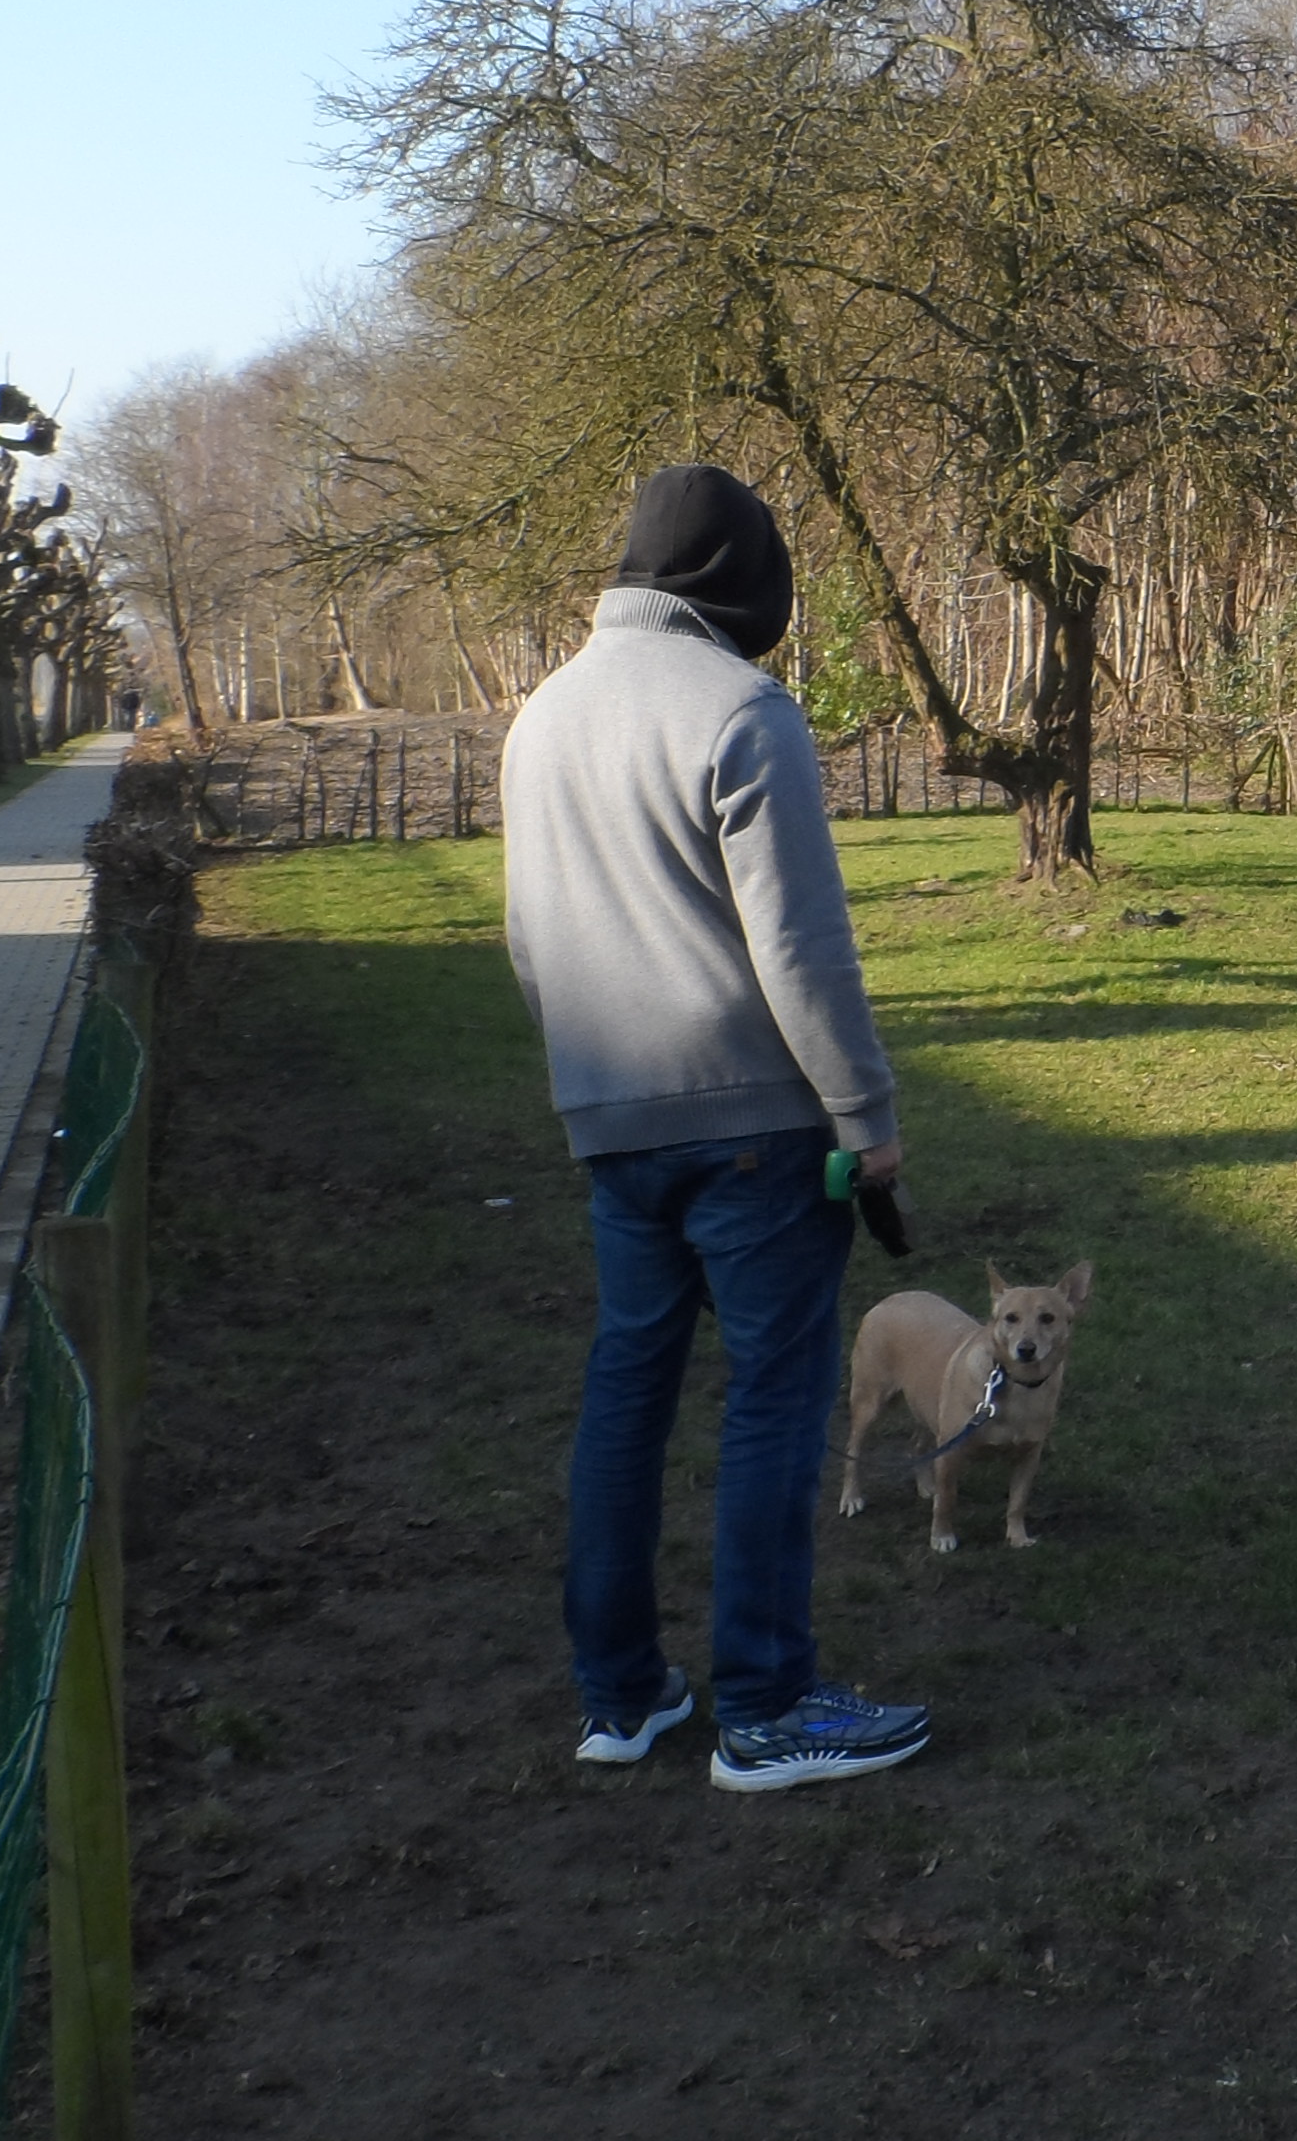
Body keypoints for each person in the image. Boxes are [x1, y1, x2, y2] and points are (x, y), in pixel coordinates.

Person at [500, 463, 930, 1793]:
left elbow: (530, 940)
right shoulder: (744, 710)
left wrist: (591, 1086)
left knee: (625, 1398)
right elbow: (801, 950)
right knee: (774, 1405)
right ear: (738, 582)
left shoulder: (539, 720)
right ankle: (767, 1705)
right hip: (758, 1126)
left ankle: (620, 1696)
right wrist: (868, 1115)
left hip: (609, 1121)